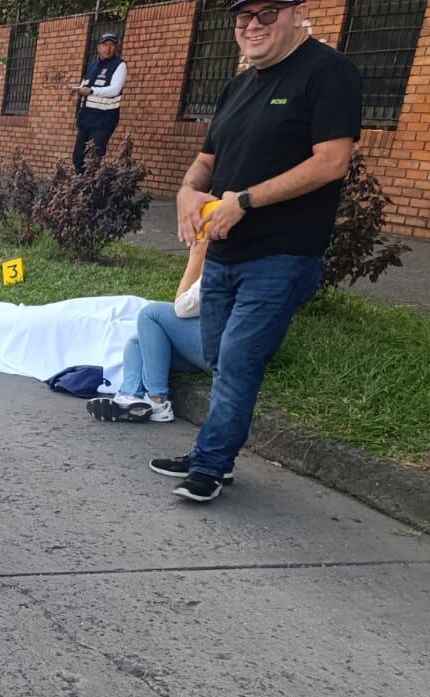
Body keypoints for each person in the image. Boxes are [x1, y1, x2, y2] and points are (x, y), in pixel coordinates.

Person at [151, 0, 361, 503]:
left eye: (267, 13)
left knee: (240, 359)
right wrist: (186, 191)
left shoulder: (328, 72)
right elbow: (207, 160)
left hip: (282, 253)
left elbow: (332, 163)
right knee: (219, 356)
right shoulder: (238, 85)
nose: (253, 26)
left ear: (296, 13)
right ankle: (212, 450)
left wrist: (244, 201)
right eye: (243, 17)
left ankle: (210, 465)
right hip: (223, 251)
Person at [88, 239, 209, 423]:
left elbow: (182, 307)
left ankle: (157, 401)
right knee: (137, 342)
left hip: (224, 351)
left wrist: (196, 257)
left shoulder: (226, 261)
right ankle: (129, 398)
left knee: (150, 314)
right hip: (210, 344)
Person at [71, 32, 126, 172]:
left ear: (116, 47)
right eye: (105, 45)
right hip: (86, 120)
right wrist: (76, 90)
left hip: (103, 121)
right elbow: (85, 87)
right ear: (98, 47)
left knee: (93, 160)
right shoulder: (92, 67)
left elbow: (115, 89)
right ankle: (82, 190)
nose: (108, 48)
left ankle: (92, 191)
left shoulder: (119, 65)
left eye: (112, 45)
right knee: (78, 159)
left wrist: (92, 91)